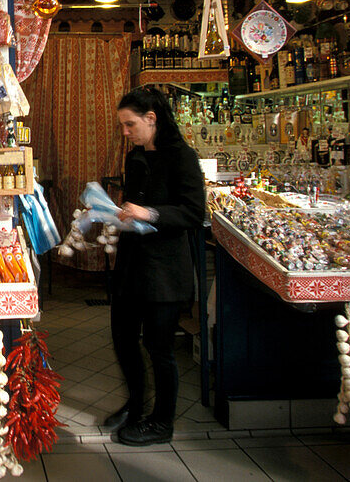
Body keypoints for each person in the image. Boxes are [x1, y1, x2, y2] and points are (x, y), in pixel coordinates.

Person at [104, 85, 206, 446]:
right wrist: (113, 214)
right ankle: (136, 406)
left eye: (131, 125)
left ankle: (162, 422)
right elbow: (134, 204)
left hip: (164, 271)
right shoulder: (136, 157)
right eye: (123, 126)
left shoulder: (182, 158)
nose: (126, 132)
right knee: (123, 339)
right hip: (132, 266)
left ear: (152, 118)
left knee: (160, 348)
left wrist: (151, 213)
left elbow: (194, 213)